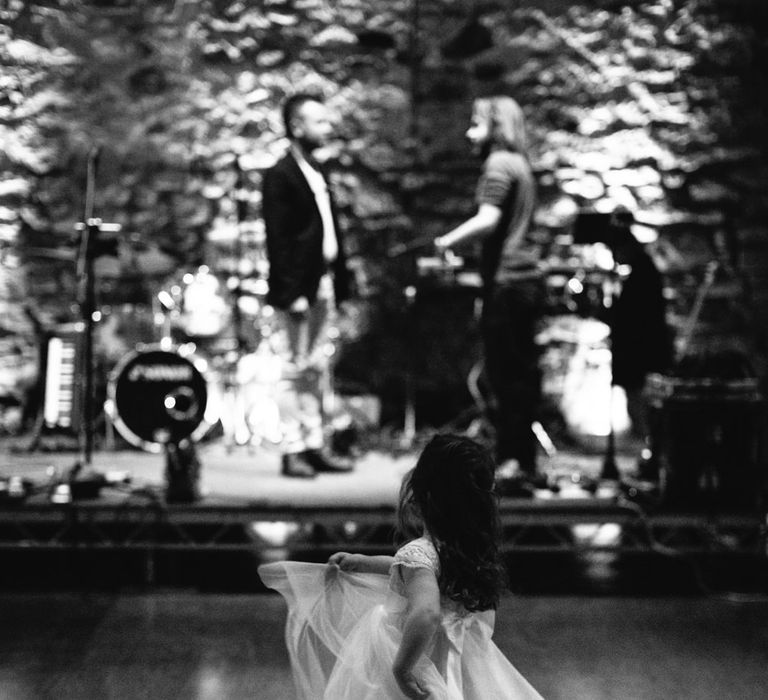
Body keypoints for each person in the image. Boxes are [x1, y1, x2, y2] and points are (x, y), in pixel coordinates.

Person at [258, 434, 545, 699]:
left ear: (423, 496)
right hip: (451, 658)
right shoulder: (466, 549)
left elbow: (427, 611)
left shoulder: (419, 553)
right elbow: (414, 571)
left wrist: (403, 669)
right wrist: (364, 562)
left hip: (414, 654)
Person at [434, 96, 544, 483]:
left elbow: (488, 218)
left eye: (475, 123)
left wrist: (446, 242)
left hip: (509, 284)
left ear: (495, 127)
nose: (468, 132)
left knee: (506, 376)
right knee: (520, 375)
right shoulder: (521, 165)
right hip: (525, 282)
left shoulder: (498, 164)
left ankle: (515, 462)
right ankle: (522, 459)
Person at [262, 93, 353, 478]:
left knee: (317, 368)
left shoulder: (317, 170)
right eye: (319, 121)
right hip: (300, 287)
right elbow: (279, 239)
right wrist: (292, 291)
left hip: (323, 282)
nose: (327, 128)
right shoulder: (280, 175)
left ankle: (315, 443)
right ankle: (292, 448)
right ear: (297, 127)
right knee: (292, 368)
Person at [605, 210, 672, 476]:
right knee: (641, 411)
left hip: (642, 356)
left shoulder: (643, 273)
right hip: (642, 355)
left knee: (643, 411)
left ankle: (654, 461)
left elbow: (635, 319)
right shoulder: (643, 270)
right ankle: (652, 459)